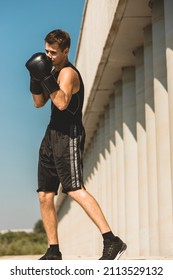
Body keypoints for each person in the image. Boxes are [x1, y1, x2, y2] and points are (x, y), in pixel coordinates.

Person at [25, 29, 127, 260]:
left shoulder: (68, 74)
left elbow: (61, 103)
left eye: (53, 52)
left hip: (68, 134)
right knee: (44, 194)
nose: (48, 55)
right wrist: (35, 78)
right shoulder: (51, 70)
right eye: (46, 51)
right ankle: (53, 250)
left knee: (73, 188)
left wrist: (46, 77)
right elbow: (39, 104)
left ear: (66, 51)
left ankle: (112, 240)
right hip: (51, 134)